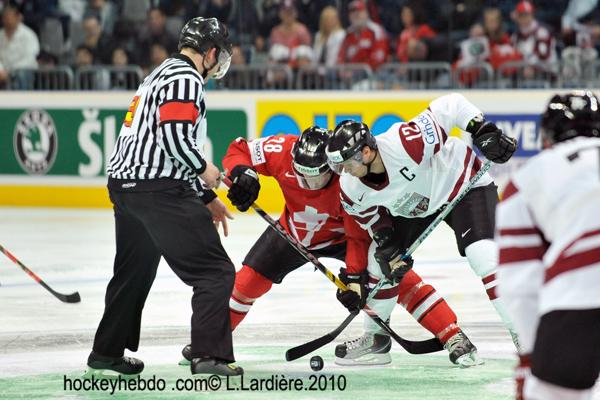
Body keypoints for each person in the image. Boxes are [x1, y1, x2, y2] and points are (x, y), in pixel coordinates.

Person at [181, 126, 482, 367]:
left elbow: (357, 237)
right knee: (246, 282)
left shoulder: (348, 183)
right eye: (303, 176)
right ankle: (210, 344)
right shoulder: (282, 150)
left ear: (333, 167)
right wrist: (243, 173)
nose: (310, 185)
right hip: (292, 232)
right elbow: (240, 149)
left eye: (319, 178)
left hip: (343, 238)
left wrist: (354, 279)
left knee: (395, 279)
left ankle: (452, 334)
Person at [86, 17, 247, 378]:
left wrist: (205, 197)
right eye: (219, 55)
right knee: (214, 271)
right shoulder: (186, 78)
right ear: (210, 53)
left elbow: (163, 144)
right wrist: (206, 170)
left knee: (134, 271)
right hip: (157, 190)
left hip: (127, 188)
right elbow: (175, 139)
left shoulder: (158, 74)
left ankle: (106, 352)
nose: (219, 63)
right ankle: (209, 356)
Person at [325, 93, 520, 351]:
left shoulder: (405, 143)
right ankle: (376, 340)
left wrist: (482, 130)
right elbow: (370, 217)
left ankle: (523, 333)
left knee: (482, 254)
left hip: (461, 185)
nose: (343, 171)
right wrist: (387, 242)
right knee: (379, 262)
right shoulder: (350, 187)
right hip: (414, 208)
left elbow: (451, 105)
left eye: (347, 164)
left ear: (367, 152)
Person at [496, 91, 600, 400]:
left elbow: (520, 283)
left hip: (579, 296)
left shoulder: (528, 177)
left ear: (546, 136)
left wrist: (530, 355)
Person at [338, 0, 389, 70]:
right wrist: (342, 70)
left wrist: (358, 71)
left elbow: (378, 57)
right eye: (352, 12)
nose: (356, 15)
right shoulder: (348, 34)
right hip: (350, 74)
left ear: (366, 13)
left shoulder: (376, 31)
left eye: (359, 11)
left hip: (373, 73)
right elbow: (341, 57)